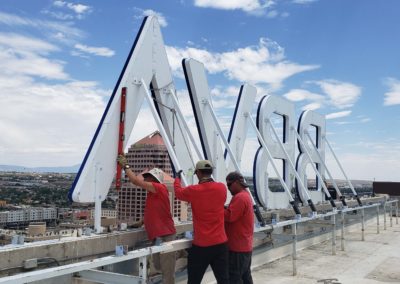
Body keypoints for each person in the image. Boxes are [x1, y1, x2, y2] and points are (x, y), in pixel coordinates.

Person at [117, 155, 176, 284]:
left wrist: (125, 166)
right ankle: (179, 252)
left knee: (167, 273)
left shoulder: (159, 188)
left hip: (165, 235)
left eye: (147, 177)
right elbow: (155, 211)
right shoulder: (153, 194)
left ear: (154, 179)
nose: (145, 179)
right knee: (158, 265)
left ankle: (179, 252)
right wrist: (141, 222)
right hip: (157, 236)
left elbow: (135, 181)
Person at [174, 160, 229, 284]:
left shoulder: (194, 190)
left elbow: (178, 193)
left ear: (198, 173)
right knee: (224, 280)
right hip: (221, 244)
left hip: (202, 245)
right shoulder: (221, 187)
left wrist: (177, 179)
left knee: (194, 280)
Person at [224, 171, 254, 284]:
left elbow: (229, 216)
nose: (228, 188)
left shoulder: (240, 197)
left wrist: (215, 207)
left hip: (237, 248)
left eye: (229, 185)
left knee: (234, 278)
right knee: (245, 277)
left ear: (237, 182)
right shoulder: (245, 195)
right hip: (244, 246)